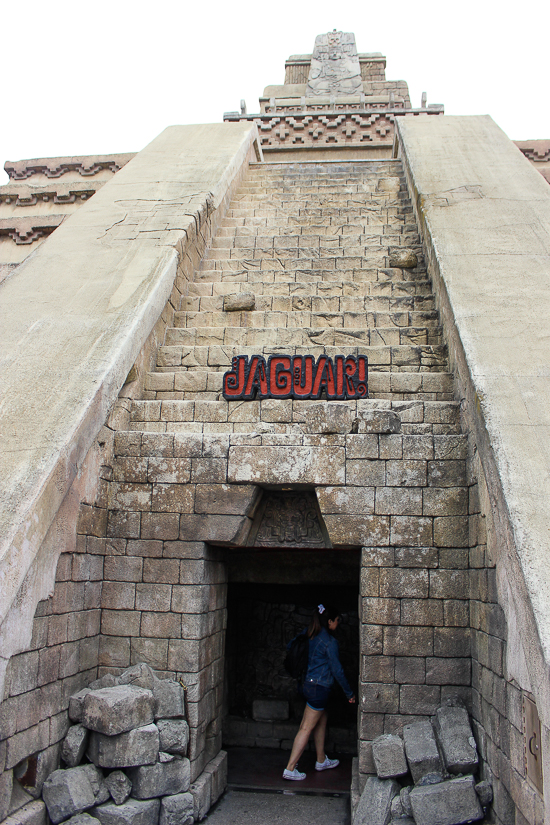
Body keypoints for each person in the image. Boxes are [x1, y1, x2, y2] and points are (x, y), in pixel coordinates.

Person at [283, 603, 355, 781]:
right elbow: (337, 670)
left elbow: (291, 645)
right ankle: (290, 768)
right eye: (337, 621)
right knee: (306, 727)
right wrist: (349, 693)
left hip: (306, 684)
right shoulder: (330, 642)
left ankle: (321, 759)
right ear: (329, 621)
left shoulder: (309, 633)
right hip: (319, 689)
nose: (338, 624)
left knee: (321, 720)